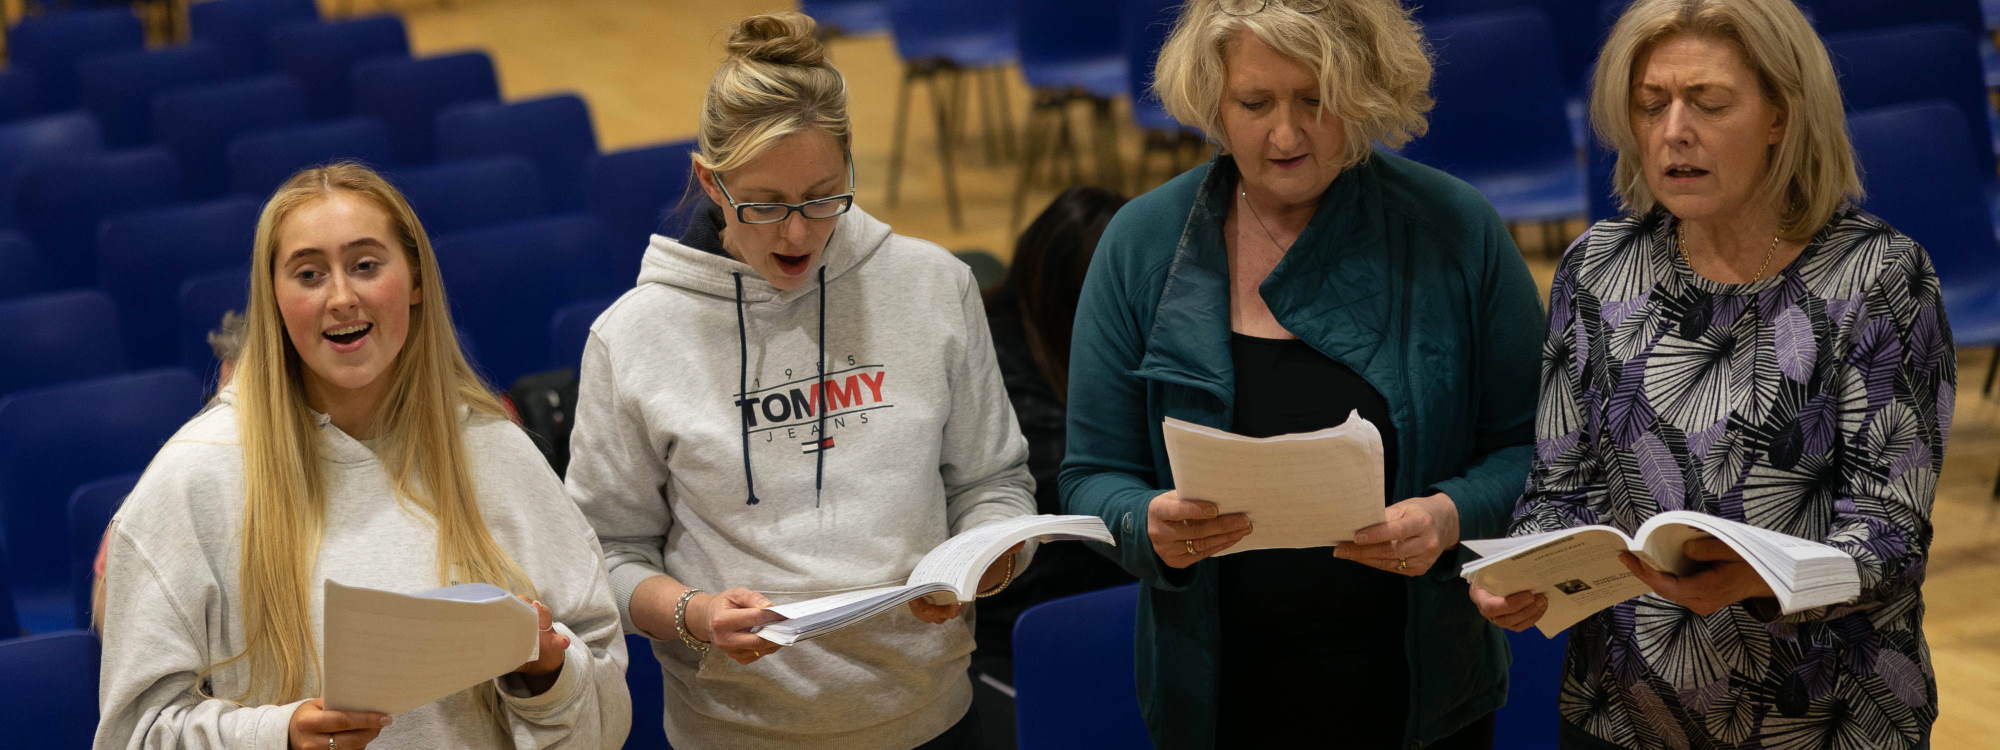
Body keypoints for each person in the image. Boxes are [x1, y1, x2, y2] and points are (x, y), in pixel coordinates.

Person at [1059, 0, 1544, 747]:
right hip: (1221, 692)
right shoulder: (1140, 245)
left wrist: (1449, 515)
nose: (1285, 134)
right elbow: (1093, 472)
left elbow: (1532, 450)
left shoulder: (1454, 229)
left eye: (1317, 101)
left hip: (1419, 687)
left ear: (1365, 95)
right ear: (1214, 105)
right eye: (1255, 104)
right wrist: (1144, 521)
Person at [1470, 1, 1951, 748]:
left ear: (1781, 117)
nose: (1674, 132)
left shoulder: (1878, 276)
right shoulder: (1599, 268)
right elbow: (1560, 487)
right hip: (1623, 712)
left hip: (1827, 715)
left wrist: (1759, 579)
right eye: (1650, 104)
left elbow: (1891, 537)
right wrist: (1527, 568)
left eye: (1710, 103)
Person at [566, 11, 1035, 749]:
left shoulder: (935, 286)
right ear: (708, 182)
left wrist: (987, 561)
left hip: (931, 712)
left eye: (823, 196)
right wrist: (696, 614)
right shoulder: (633, 339)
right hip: (740, 727)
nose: (797, 234)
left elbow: (993, 484)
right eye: (766, 205)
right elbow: (604, 554)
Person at [94, 163, 631, 749]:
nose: (342, 297)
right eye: (308, 274)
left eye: (366, 266)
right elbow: (132, 738)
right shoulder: (193, 479)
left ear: (416, 280)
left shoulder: (498, 452)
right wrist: (280, 736)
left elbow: (605, 715)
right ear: (274, 299)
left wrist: (547, 676)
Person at [973, 186, 1136, 670]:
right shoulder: (996, 365)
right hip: (1034, 628)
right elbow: (1089, 489)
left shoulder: (1089, 342)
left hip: (1106, 601)